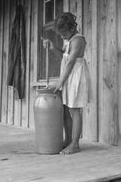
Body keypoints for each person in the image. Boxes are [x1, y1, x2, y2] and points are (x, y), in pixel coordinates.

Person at [43, 12, 92, 155]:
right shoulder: (68, 40)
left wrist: (60, 81)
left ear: (72, 28)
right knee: (66, 110)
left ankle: (75, 144)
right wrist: (53, 47)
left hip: (76, 77)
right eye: (60, 34)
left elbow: (70, 62)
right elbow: (64, 58)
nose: (62, 36)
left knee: (74, 110)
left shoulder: (78, 40)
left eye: (63, 33)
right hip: (68, 76)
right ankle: (69, 139)